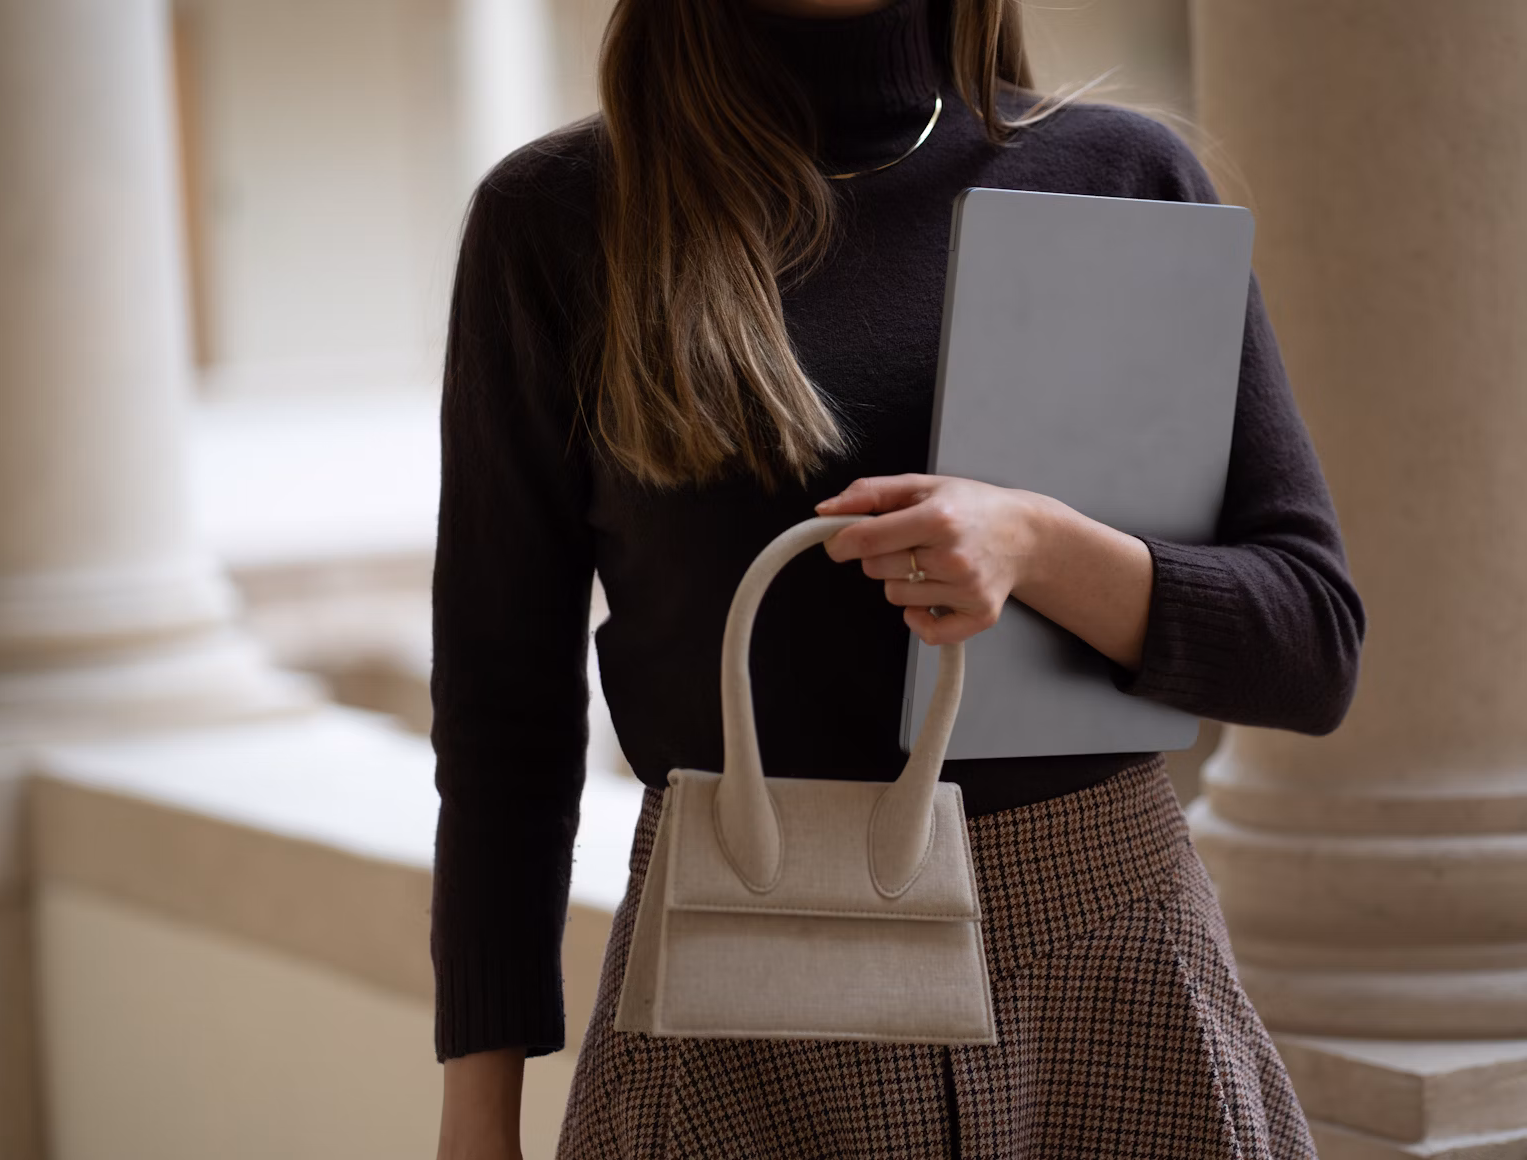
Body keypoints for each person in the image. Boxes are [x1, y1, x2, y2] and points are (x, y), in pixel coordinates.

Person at [430, 0, 1363, 1155]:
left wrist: (1038, 547)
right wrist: (478, 1123)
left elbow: (1311, 645)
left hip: (1119, 983)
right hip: (745, 1013)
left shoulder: (1119, 176)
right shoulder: (560, 219)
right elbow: (502, 717)